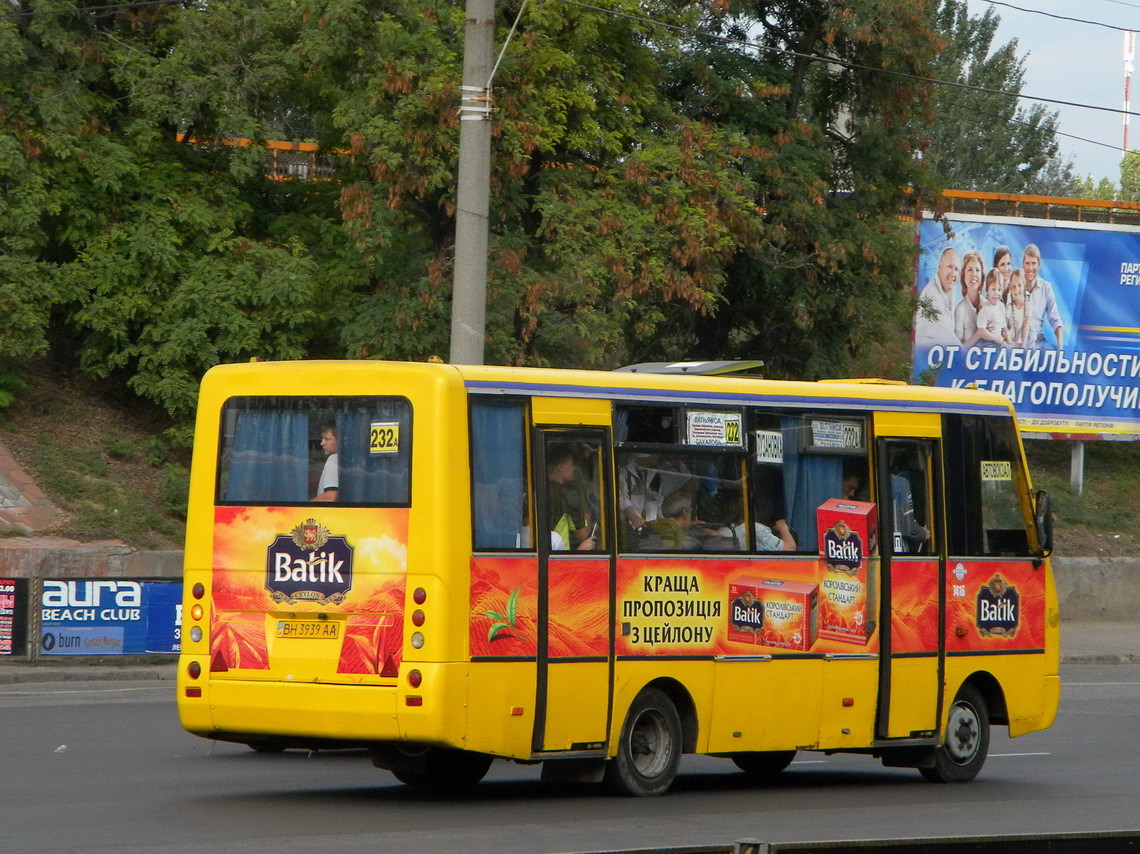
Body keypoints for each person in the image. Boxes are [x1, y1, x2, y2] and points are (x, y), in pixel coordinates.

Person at [546, 447, 597, 551]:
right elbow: (582, 535)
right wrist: (587, 516)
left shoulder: (536, 490)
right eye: (571, 464)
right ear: (560, 467)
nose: (574, 468)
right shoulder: (568, 495)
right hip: (561, 557)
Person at [914, 247, 960, 348]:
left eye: (956, 269)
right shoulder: (931, 297)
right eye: (950, 267)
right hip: (925, 356)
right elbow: (947, 338)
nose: (953, 273)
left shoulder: (950, 290)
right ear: (940, 267)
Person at [1022, 244, 1064, 349]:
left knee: (1053, 358)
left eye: (1033, 263)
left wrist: (1060, 348)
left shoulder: (1046, 287)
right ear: (1023, 264)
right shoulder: (1015, 285)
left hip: (1039, 341)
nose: (1030, 268)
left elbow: (1055, 320)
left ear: (1039, 265)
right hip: (1020, 341)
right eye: (1027, 263)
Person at [954, 250, 986, 347]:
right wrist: (977, 335)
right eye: (970, 270)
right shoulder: (960, 310)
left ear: (982, 275)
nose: (974, 274)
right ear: (963, 276)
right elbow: (956, 348)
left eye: (977, 270)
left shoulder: (989, 305)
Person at [975, 270, 1006, 346]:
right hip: (987, 343)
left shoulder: (1001, 306)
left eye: (999, 290)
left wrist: (1006, 331)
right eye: (993, 289)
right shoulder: (985, 310)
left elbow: (1003, 323)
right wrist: (996, 339)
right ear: (987, 291)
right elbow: (981, 330)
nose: (997, 293)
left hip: (999, 342)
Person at [311, 422, 338, 502]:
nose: (322, 443)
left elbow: (330, 497)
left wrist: (302, 508)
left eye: (327, 439)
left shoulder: (334, 459)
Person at [1004, 269, 1029, 347]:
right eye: (1013, 286)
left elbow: (1026, 327)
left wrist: (1023, 347)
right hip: (1009, 342)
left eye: (1019, 285)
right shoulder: (1009, 307)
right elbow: (1004, 325)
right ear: (1010, 289)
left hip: (1021, 344)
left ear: (1024, 286)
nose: (1017, 289)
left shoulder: (1028, 306)